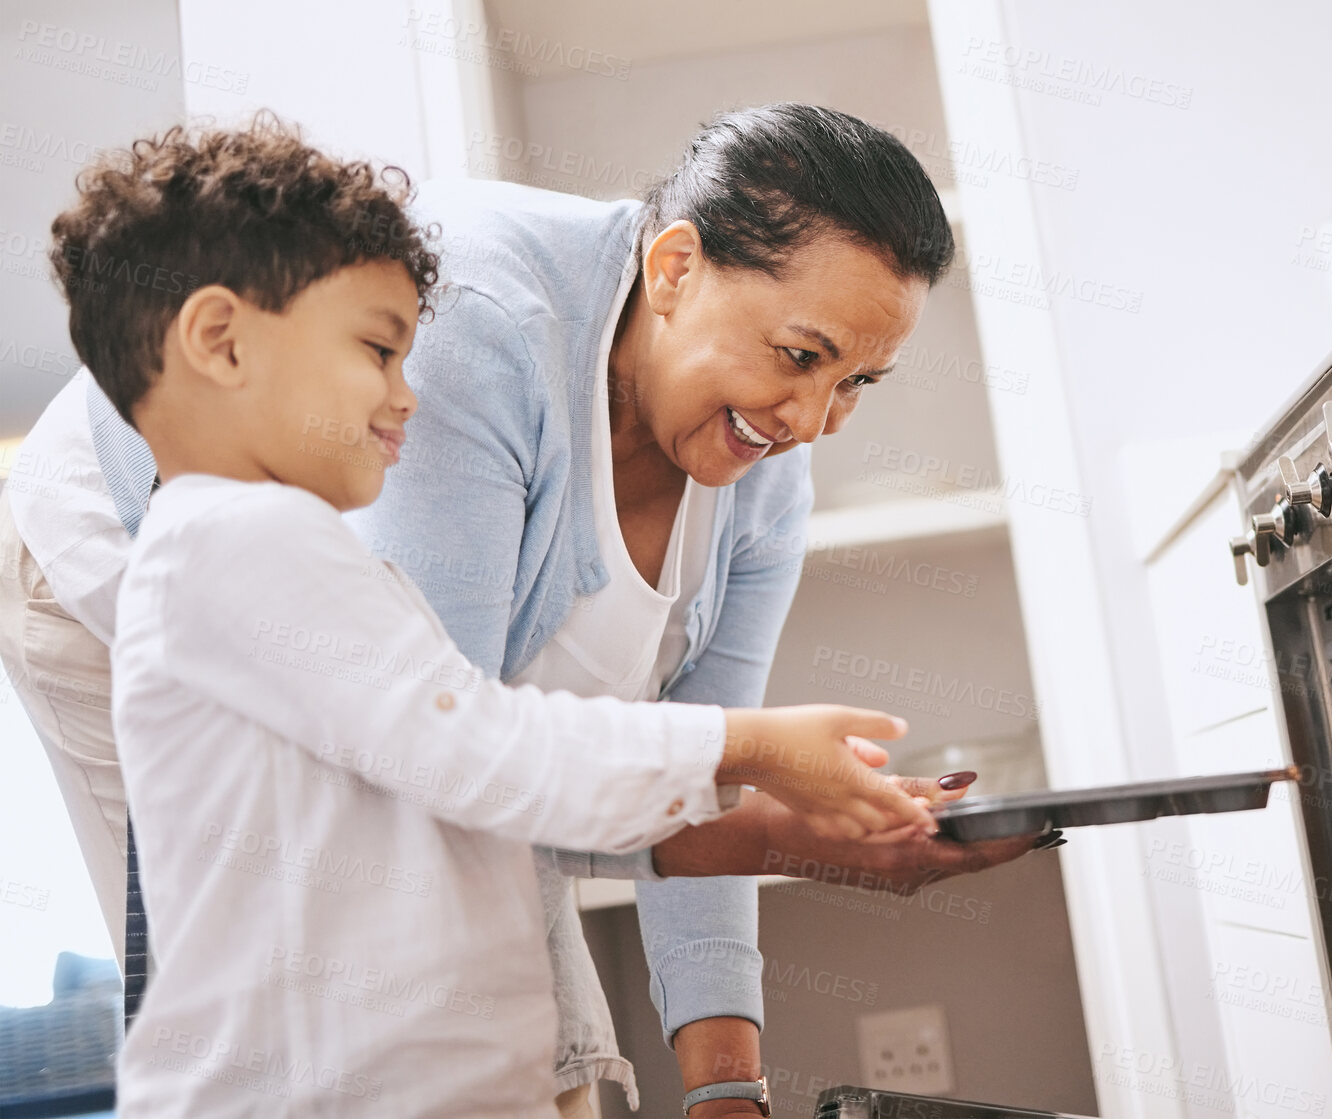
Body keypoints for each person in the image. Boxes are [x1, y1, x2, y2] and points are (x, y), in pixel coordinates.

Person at [0, 106, 1037, 1117]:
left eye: (859, 383)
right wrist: (754, 760)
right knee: (364, 937)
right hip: (95, 555)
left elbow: (512, 760)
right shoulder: (441, 362)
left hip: (418, 745)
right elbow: (461, 761)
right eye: (801, 358)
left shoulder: (762, 469)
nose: (814, 421)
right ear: (672, 270)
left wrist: (729, 1082)